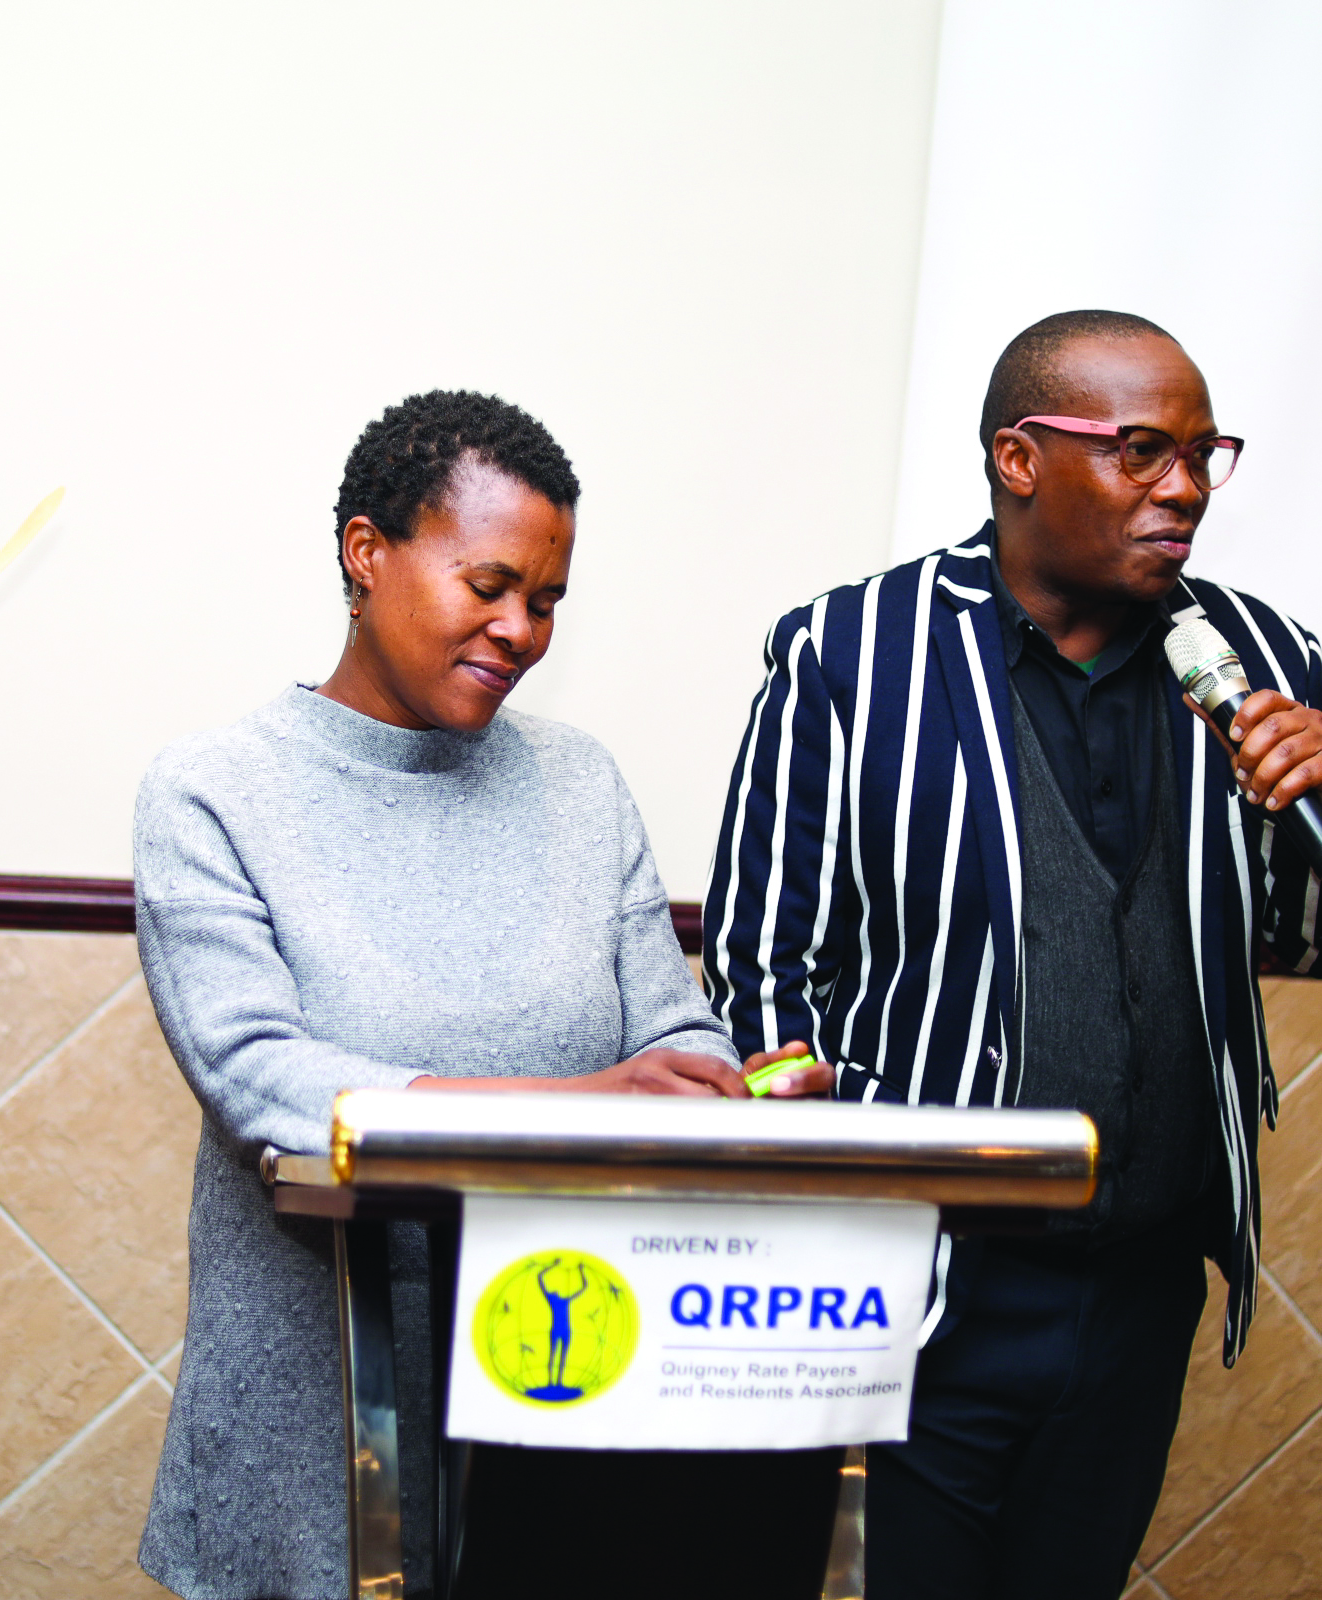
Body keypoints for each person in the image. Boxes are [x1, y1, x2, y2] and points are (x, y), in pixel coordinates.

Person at [703, 311, 1322, 1599]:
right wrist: (813, 1193)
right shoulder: (852, 652)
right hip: (920, 1287)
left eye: (1202, 454)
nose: (1183, 487)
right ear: (1018, 459)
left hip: (1140, 1288)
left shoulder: (1258, 655)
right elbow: (761, 966)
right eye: (1141, 451)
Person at [134, 390, 828, 1600]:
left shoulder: (580, 781)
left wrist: (723, 1088)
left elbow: (668, 1026)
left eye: (546, 600)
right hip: (319, 1417)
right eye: (491, 584)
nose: (520, 630)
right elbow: (260, 1078)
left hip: (570, 1410)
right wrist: (586, 1102)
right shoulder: (212, 790)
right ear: (367, 553)